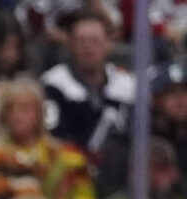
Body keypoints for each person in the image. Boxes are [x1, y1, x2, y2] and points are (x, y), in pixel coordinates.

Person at [40, 10, 135, 164]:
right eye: (81, 41)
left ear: (109, 44)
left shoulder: (127, 85)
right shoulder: (53, 85)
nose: (88, 48)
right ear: (70, 45)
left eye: (95, 41)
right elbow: (53, 139)